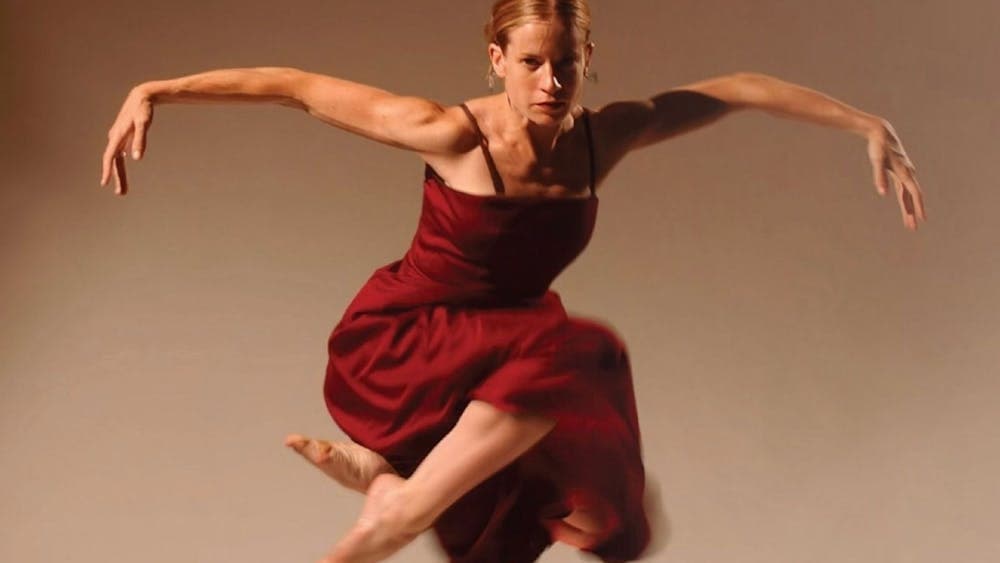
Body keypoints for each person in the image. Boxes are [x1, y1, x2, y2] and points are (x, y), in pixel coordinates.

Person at [99, 1, 926, 561]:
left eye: (566, 64)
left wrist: (868, 123)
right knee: (582, 354)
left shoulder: (608, 137)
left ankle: (383, 477)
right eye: (532, 63)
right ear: (498, 59)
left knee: (587, 495)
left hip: (502, 355)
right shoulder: (451, 132)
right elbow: (298, 91)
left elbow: (735, 91)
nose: (551, 84)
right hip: (404, 344)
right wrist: (156, 89)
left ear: (587, 60)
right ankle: (402, 504)